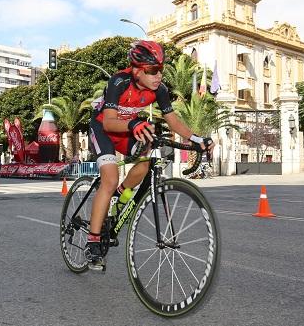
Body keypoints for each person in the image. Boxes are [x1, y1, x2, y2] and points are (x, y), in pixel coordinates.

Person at [85, 40, 214, 271]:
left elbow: (173, 120)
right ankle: (92, 241)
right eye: (152, 70)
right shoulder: (119, 81)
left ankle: (119, 197)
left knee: (144, 165)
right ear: (136, 70)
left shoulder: (160, 90)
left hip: (127, 129)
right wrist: (134, 122)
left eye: (161, 69)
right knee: (110, 178)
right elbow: (111, 122)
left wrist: (196, 138)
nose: (158, 75)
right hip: (103, 127)